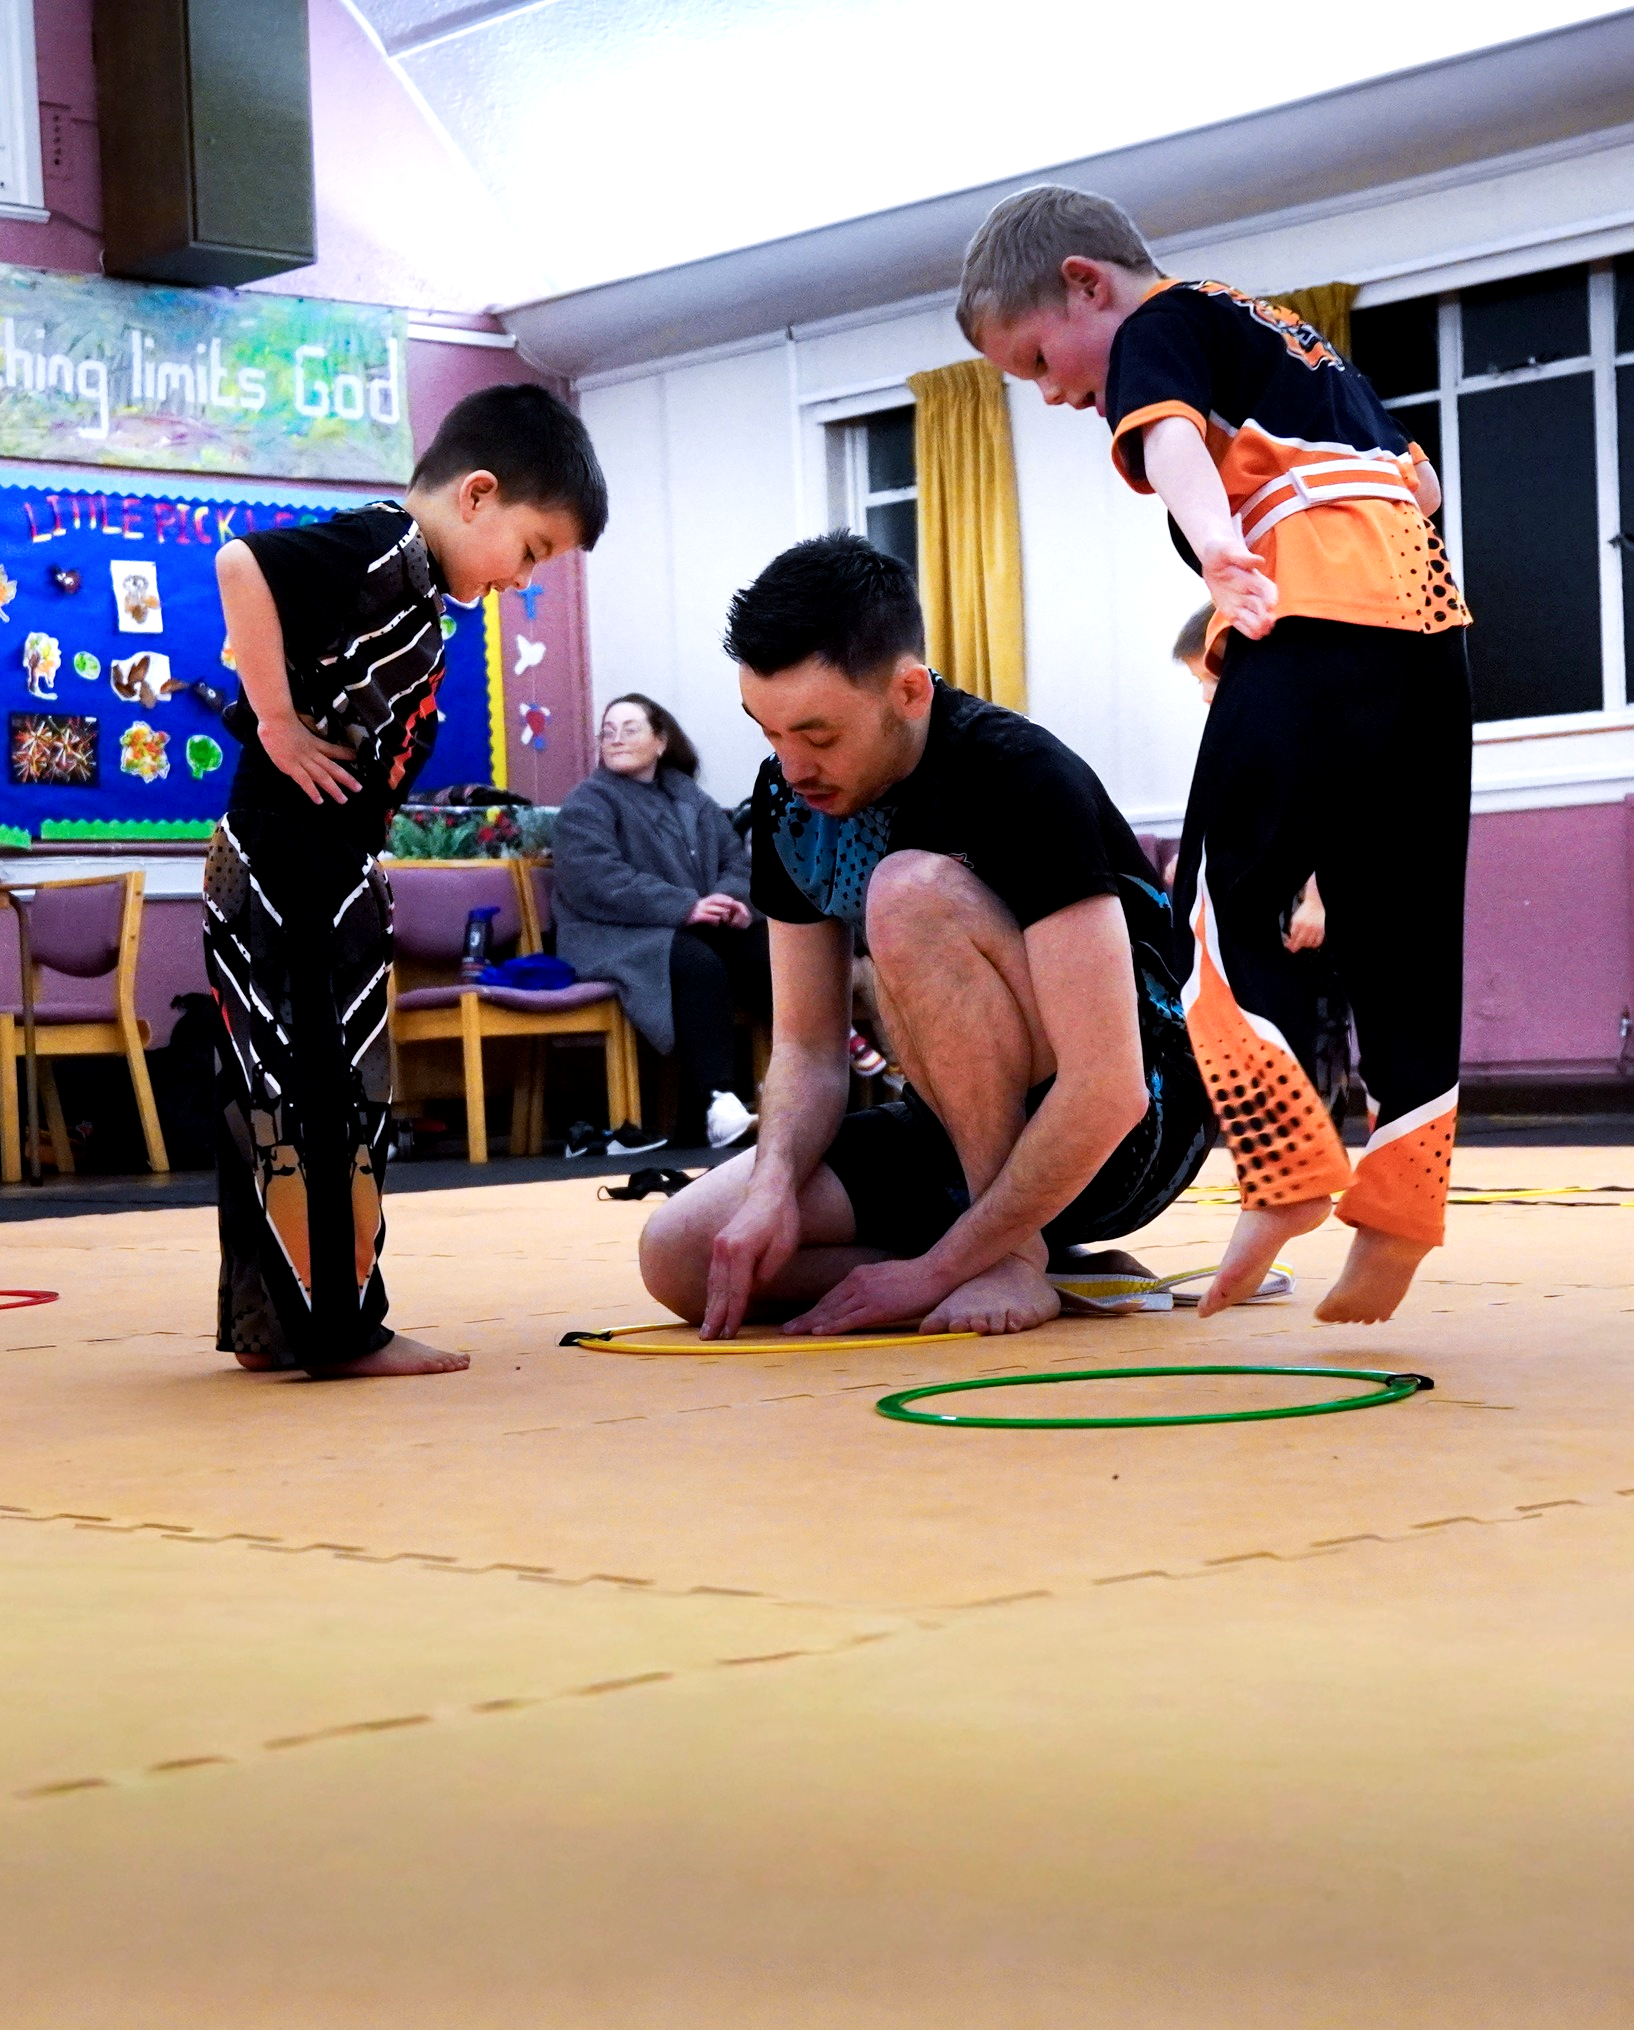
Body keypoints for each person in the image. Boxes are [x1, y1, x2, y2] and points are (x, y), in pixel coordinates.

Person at [960, 185, 1471, 1324]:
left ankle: (1286, 1168)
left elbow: (1177, 439)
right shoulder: (1287, 333)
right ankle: (1400, 1213)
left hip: (1317, 617)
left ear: (1086, 283)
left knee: (1214, 903)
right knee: (1405, 925)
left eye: (1040, 358)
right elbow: (1420, 483)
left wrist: (1222, 544)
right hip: (1433, 636)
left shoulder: (1156, 327)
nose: (1050, 392)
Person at [638, 533, 1215, 1340]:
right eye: (769, 733)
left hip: (1129, 1132)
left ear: (909, 692)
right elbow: (808, 1050)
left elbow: (1109, 1086)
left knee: (907, 891)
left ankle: (1008, 1255)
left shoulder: (1016, 773)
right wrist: (771, 1184)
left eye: (820, 735)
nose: (793, 766)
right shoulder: (785, 802)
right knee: (684, 1255)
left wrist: (945, 1270)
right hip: (955, 1122)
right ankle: (1049, 1263)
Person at [206, 383, 608, 1379]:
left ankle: (272, 1324)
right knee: (328, 1094)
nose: (524, 581)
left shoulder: (420, 585)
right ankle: (342, 1328)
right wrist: (278, 721)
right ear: (477, 496)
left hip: (303, 855)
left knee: (275, 1095)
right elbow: (241, 560)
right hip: (289, 857)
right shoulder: (389, 550)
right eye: (533, 551)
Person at [552, 693, 768, 1150]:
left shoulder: (692, 799)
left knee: (762, 948)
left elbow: (736, 862)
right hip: (610, 936)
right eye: (608, 731)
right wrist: (686, 906)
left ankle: (803, 1086)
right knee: (697, 963)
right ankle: (718, 1102)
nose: (616, 739)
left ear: (661, 740)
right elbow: (596, 880)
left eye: (630, 729)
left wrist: (728, 901)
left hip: (683, 924)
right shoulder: (586, 803)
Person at [1172, 602, 1352, 1123]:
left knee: (1316, 1025)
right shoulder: (1250, 731)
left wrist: (1316, 901)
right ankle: (1289, 1128)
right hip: (1271, 906)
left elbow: (1324, 812)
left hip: (1305, 906)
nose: (1204, 694)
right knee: (1277, 1018)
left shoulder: (1301, 727)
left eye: (1205, 676)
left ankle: (1315, 1131)